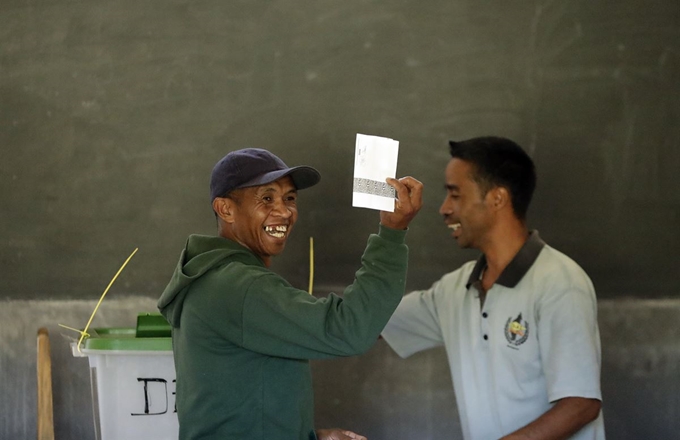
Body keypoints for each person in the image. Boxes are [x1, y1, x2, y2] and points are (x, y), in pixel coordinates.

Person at [157, 148, 423, 440]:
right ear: (226, 209)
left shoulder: (214, 279)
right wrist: (393, 233)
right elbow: (349, 329)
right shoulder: (239, 286)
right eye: (267, 198)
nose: (284, 211)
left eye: (290, 198)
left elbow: (237, 402)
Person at [381, 137, 605, 439]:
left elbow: (581, 404)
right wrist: (390, 232)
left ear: (498, 198)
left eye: (455, 195)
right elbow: (368, 320)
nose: (444, 209)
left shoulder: (560, 282)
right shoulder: (454, 290)